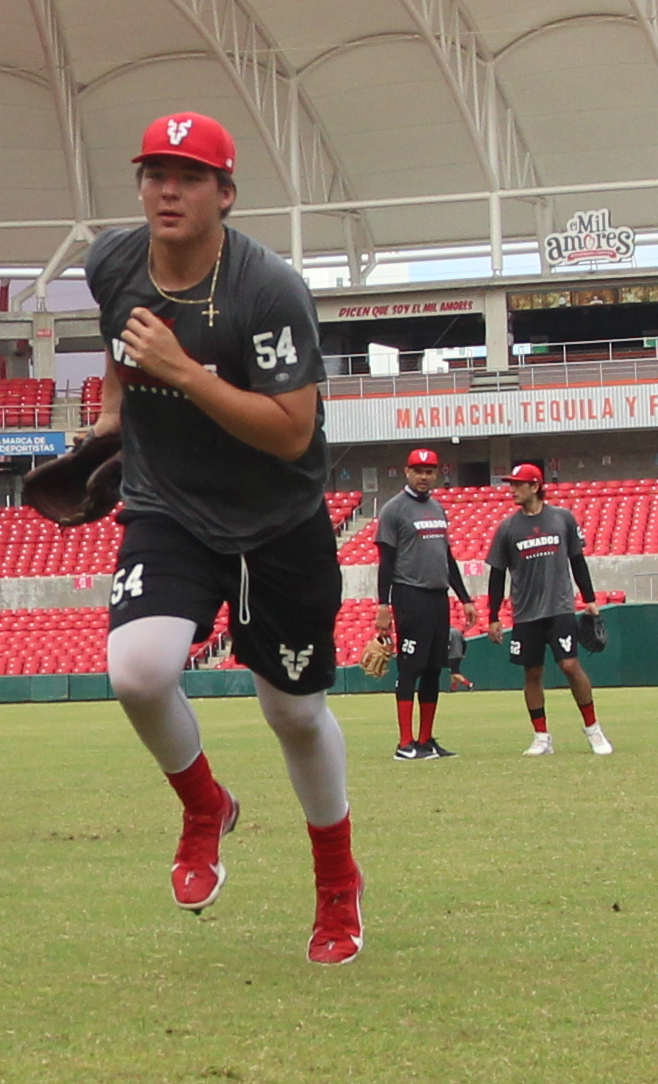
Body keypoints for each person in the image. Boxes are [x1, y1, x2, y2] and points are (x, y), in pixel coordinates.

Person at [81, 111, 361, 963]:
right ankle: (206, 805)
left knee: (295, 715)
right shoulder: (113, 262)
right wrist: (108, 419)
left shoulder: (266, 289)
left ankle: (337, 886)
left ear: (225, 194)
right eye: (154, 173)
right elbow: (121, 348)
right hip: (169, 506)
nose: (167, 189)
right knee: (138, 673)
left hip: (278, 521)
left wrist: (181, 373)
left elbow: (288, 431)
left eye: (189, 175)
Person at [481, 462, 609, 756]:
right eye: (510, 483)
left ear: (535, 486)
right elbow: (497, 574)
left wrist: (589, 599)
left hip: (559, 607)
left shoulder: (562, 519)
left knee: (569, 665)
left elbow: (577, 560)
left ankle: (593, 729)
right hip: (526, 613)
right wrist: (493, 617)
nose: (511, 489)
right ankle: (542, 736)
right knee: (533, 672)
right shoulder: (507, 528)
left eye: (517, 484)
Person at [369, 448, 472, 761]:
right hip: (409, 594)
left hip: (437, 596)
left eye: (430, 471)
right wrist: (383, 605)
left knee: (432, 669)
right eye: (419, 471)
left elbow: (447, 558)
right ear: (407, 472)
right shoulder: (394, 509)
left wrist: (464, 598)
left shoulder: (438, 508)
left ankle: (425, 741)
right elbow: (386, 561)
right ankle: (405, 743)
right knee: (411, 668)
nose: (425, 477)